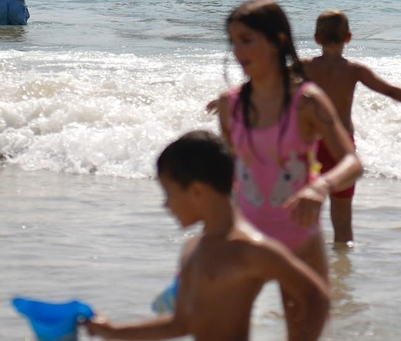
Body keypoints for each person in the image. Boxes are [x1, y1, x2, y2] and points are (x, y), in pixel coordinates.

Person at [84, 131, 330, 341]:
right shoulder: (193, 248)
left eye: (169, 193)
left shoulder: (249, 248)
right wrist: (111, 331)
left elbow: (317, 296)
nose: (166, 204)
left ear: (197, 191)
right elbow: (180, 324)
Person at [214, 0, 361, 306]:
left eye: (247, 40)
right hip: (245, 238)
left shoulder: (307, 101)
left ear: (277, 40)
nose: (238, 51)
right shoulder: (230, 106)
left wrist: (320, 187)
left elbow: (352, 163)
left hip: (299, 240)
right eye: (233, 42)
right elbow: (230, 173)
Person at [301, 10, 401, 245]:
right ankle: (343, 270)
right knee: (342, 221)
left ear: (316, 38)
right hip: (342, 148)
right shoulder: (354, 70)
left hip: (310, 147)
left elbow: (268, 85)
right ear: (348, 37)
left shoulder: (304, 67)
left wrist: (235, 100)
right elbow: (392, 91)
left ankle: (309, 268)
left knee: (305, 216)